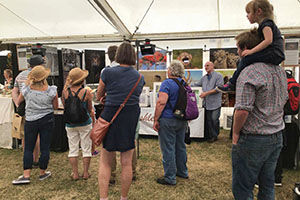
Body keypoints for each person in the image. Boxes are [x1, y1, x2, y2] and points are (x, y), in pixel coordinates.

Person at [231, 29, 288, 200]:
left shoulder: (249, 72)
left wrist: (234, 133)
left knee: (243, 188)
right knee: (267, 184)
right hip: (276, 135)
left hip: (254, 138)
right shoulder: (279, 71)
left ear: (246, 48)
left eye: (238, 49)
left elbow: (242, 109)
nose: (238, 54)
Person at [96, 42, 144, 200]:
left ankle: (104, 198)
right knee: (126, 161)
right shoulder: (139, 77)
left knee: (105, 160)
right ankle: (123, 197)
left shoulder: (108, 72)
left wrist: (106, 97)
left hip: (111, 115)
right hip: (130, 116)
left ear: (117, 56)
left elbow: (99, 95)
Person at [217, 0, 285, 93]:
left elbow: (268, 40)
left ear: (258, 12)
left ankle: (232, 83)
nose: (247, 16)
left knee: (246, 59)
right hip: (275, 54)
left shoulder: (266, 24)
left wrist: (251, 51)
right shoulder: (266, 24)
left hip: (273, 53)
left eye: (249, 12)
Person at [12, 65, 58, 185]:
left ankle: (26, 174)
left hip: (31, 119)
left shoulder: (26, 89)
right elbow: (56, 106)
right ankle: (42, 172)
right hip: (47, 119)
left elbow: (19, 101)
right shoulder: (51, 90)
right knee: (45, 147)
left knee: (28, 147)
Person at [153, 60, 188, 186]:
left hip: (168, 119)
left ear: (171, 71)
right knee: (180, 146)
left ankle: (170, 177)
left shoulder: (167, 83)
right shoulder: (184, 83)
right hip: (182, 119)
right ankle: (182, 171)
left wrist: (155, 119)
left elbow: (161, 102)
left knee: (168, 148)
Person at [12, 55, 45, 167]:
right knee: (37, 135)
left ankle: (27, 158)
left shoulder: (20, 75)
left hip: (23, 109)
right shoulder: (39, 75)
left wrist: (17, 103)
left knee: (26, 135)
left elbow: (14, 91)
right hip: (35, 109)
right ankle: (35, 159)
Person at [62, 67, 93, 181]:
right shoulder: (86, 92)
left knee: (73, 148)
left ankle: (75, 173)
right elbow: (90, 109)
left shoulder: (65, 92)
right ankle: (85, 172)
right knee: (86, 147)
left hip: (70, 123)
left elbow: (65, 106)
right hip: (85, 122)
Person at [194, 61, 223, 142]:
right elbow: (196, 85)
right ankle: (212, 136)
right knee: (209, 120)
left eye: (207, 65)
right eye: (205, 66)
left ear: (212, 66)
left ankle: (215, 134)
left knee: (214, 119)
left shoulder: (219, 76)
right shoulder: (204, 78)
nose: (206, 67)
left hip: (215, 103)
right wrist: (185, 85)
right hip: (206, 103)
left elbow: (219, 88)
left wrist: (206, 93)